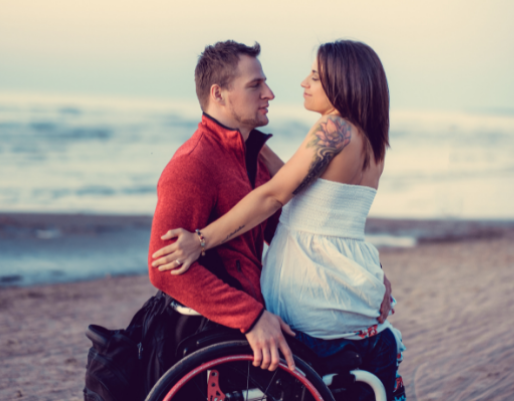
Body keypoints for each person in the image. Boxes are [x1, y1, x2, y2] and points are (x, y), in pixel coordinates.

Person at [152, 40, 405, 400]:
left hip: (312, 294)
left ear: (343, 82)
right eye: (256, 85)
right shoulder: (369, 139)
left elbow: (274, 196)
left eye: (316, 76)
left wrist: (201, 239)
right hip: (348, 283)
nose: (303, 83)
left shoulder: (333, 129)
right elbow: (313, 201)